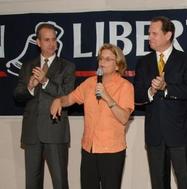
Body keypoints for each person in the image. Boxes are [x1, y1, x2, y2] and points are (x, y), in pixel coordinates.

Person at [50, 43, 134, 189]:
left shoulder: (125, 86)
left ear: (117, 65)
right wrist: (59, 100)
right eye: (101, 58)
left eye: (108, 59)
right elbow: (70, 99)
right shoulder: (89, 83)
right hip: (89, 148)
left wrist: (107, 97)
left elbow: (124, 118)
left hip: (111, 151)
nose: (102, 62)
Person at [134, 16, 187, 189]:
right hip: (155, 135)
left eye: (154, 33)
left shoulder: (186, 60)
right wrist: (151, 91)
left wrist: (167, 88)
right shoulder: (143, 62)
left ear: (168, 35)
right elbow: (136, 95)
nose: (150, 37)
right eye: (149, 33)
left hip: (180, 134)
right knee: (159, 184)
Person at [14, 23, 76, 189]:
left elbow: (67, 95)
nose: (52, 44)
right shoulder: (27, 66)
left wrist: (45, 81)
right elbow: (18, 95)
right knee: (32, 182)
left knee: (60, 181)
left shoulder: (67, 67)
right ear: (38, 42)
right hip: (32, 132)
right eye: (47, 40)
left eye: (54, 39)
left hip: (55, 131)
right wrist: (31, 86)